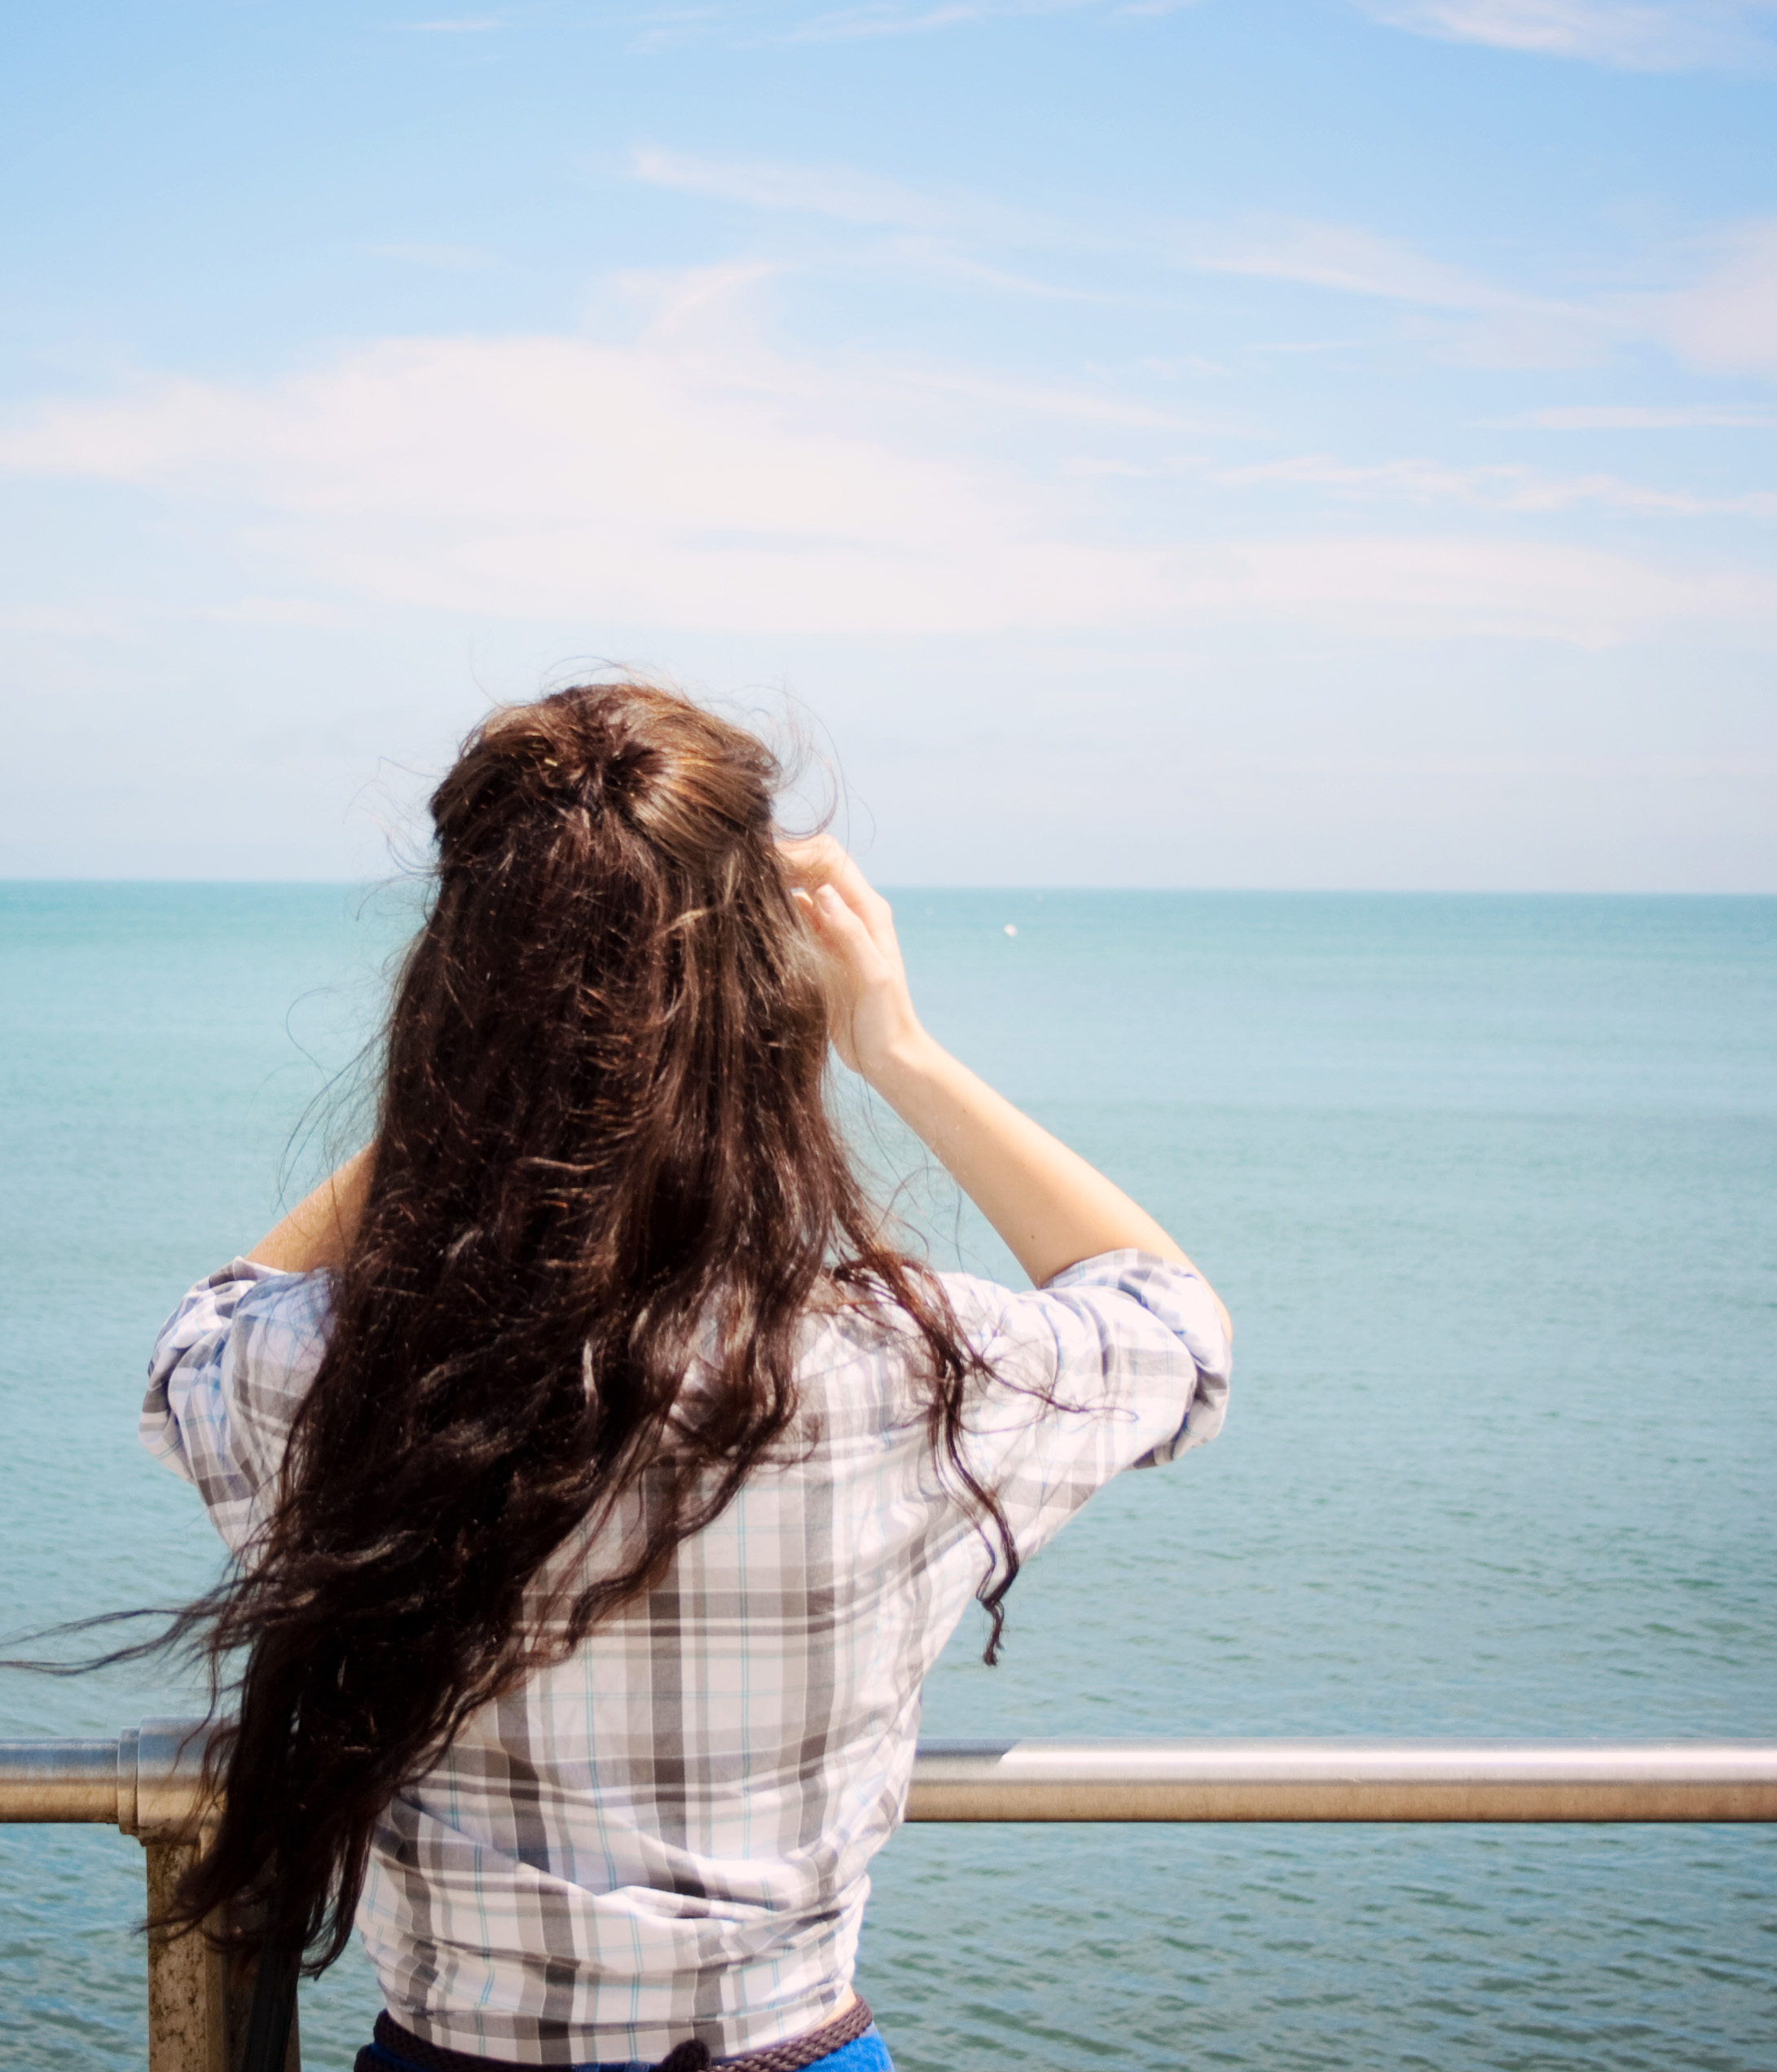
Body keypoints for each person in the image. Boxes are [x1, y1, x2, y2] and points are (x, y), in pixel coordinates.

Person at [136, 683, 1232, 2072]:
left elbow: (193, 1343)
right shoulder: (907, 1373)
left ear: (451, 1003)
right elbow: (1175, 1329)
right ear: (767, 1003)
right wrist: (897, 1043)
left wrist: (495, 1073)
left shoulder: (331, 1372)